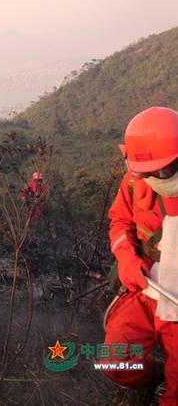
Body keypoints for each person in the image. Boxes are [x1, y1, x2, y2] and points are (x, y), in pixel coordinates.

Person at [105, 106, 178, 404]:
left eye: (162, 171)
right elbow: (120, 221)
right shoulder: (135, 183)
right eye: (146, 172)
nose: (154, 179)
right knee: (116, 360)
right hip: (146, 286)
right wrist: (126, 257)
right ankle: (151, 378)